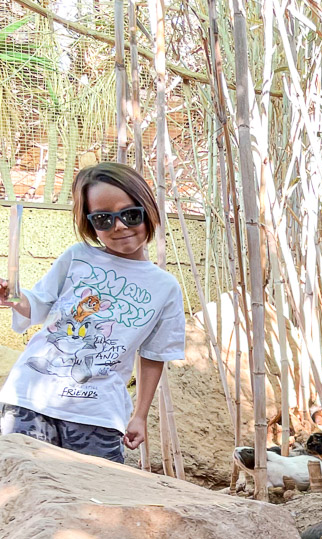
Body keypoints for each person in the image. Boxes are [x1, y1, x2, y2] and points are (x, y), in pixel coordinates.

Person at [0, 162, 185, 463]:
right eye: (103, 219)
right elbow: (38, 305)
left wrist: (139, 415)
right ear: (90, 223)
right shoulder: (77, 257)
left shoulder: (165, 287)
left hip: (97, 414)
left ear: (148, 209)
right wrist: (13, 297)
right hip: (28, 400)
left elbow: (155, 355)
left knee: (98, 504)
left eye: (130, 214)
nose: (120, 226)